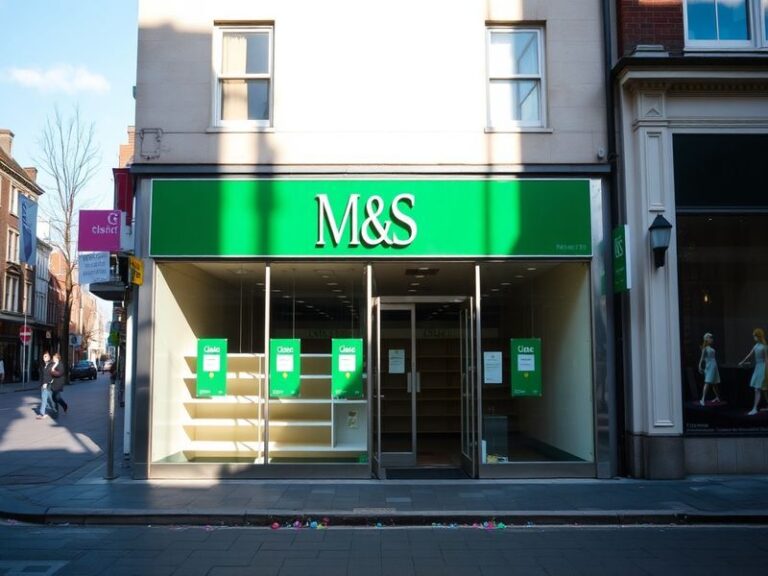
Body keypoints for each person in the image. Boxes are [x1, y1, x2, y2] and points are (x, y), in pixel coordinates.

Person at [738, 328, 768, 416]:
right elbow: (749, 355)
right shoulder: (756, 346)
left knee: (758, 389)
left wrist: (766, 371)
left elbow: (766, 360)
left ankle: (754, 408)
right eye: (753, 336)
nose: (754, 337)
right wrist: (742, 362)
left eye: (755, 336)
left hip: (763, 368)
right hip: (758, 367)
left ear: (759, 336)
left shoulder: (764, 347)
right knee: (764, 389)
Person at [698, 333, 721, 406]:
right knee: (707, 382)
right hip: (709, 366)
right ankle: (702, 399)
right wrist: (699, 366)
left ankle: (717, 397)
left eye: (711, 338)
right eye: (710, 338)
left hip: (714, 366)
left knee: (714, 383)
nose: (711, 339)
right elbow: (702, 358)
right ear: (706, 339)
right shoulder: (705, 348)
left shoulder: (710, 348)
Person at [36, 352, 54, 419]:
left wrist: (47, 383)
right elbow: (42, 376)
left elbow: (52, 375)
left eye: (45, 356)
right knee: (45, 399)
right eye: (43, 357)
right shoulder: (43, 365)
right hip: (43, 385)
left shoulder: (52, 365)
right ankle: (46, 412)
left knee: (47, 399)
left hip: (48, 385)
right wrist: (41, 384)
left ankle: (42, 413)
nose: (44, 358)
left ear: (49, 357)